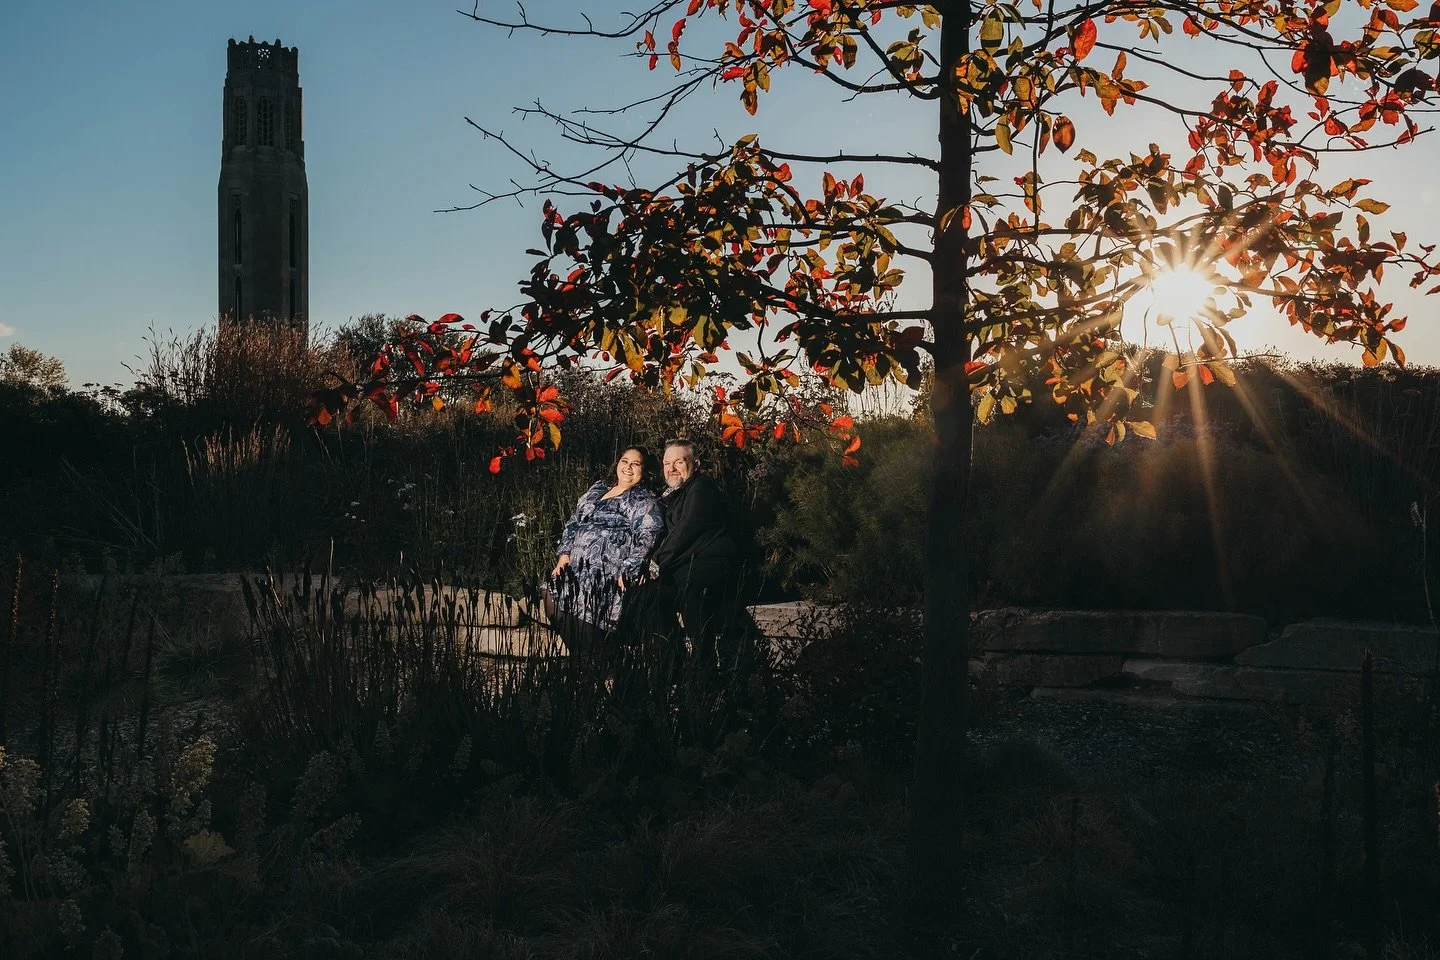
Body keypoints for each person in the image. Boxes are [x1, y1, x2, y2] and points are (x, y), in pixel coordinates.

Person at [548, 447, 665, 662]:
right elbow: (575, 521)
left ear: (644, 470)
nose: (628, 467)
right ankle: (597, 659)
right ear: (617, 464)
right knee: (550, 595)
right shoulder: (598, 489)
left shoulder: (643, 500)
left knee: (585, 608)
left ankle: (596, 663)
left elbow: (649, 535)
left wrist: (631, 569)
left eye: (636, 464)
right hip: (577, 567)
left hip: (608, 573)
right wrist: (564, 554)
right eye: (624, 461)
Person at [650, 438, 741, 678]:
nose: (671, 468)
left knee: (690, 590)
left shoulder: (702, 488)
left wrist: (654, 563)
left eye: (679, 461)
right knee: (651, 596)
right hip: (682, 567)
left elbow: (686, 530)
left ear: (696, 463)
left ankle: (704, 668)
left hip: (712, 564)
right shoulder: (671, 495)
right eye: (666, 463)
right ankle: (673, 663)